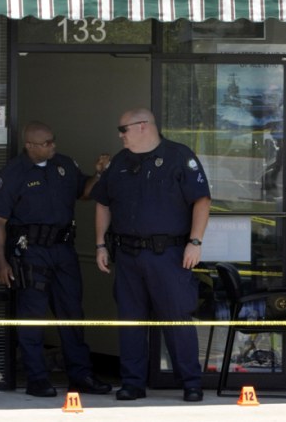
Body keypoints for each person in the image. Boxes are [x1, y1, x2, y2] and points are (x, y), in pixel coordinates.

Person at [0, 120, 112, 398]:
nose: (53, 145)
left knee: (72, 314)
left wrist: (99, 174)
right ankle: (37, 378)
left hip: (63, 251)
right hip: (31, 252)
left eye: (53, 140)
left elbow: (85, 193)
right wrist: (1, 262)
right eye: (46, 143)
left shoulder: (64, 165)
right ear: (30, 146)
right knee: (32, 316)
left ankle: (81, 375)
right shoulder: (13, 174)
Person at [92, 107, 211, 402]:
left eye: (124, 130)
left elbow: (201, 200)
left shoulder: (178, 156)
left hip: (168, 255)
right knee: (130, 321)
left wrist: (195, 242)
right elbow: (103, 204)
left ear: (143, 126)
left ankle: (190, 382)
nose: (120, 136)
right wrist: (99, 245)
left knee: (176, 319)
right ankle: (133, 383)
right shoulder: (119, 163)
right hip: (128, 255)